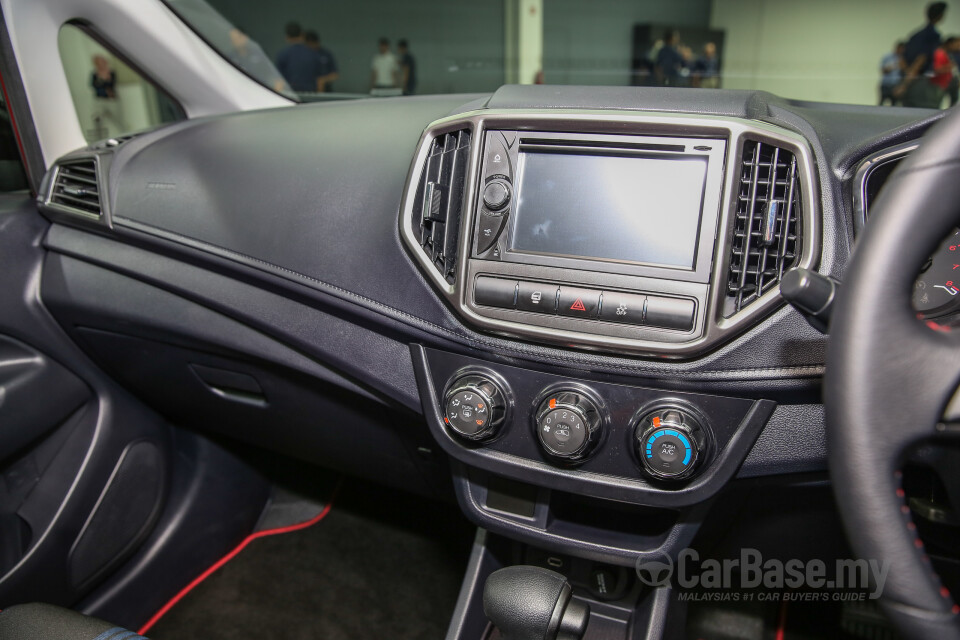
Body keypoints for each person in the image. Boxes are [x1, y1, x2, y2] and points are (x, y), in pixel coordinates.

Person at [899, 2, 948, 108]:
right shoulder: (933, 36)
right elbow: (921, 59)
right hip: (923, 85)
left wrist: (906, 80)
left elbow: (902, 59)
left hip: (911, 81)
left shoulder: (915, 34)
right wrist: (906, 83)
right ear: (941, 16)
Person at [275, 22, 319, 94]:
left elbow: (279, 81)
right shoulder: (313, 54)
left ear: (287, 37)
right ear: (302, 35)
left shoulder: (283, 54)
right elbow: (319, 80)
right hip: (310, 96)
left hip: (290, 96)